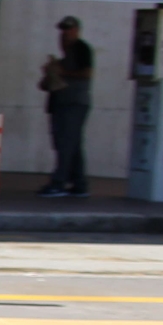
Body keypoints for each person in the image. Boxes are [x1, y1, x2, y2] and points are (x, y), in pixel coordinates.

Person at [40, 15, 94, 197]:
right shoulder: (63, 58)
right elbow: (46, 84)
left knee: (65, 144)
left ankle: (59, 182)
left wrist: (63, 72)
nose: (64, 34)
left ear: (76, 31)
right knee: (73, 145)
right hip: (61, 104)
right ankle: (79, 184)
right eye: (63, 30)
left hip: (73, 104)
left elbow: (87, 73)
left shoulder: (82, 49)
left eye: (69, 30)